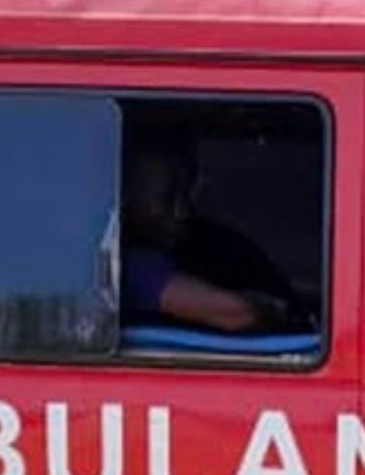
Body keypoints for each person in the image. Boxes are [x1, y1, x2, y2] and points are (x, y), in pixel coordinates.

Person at [120, 136, 299, 336]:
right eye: (165, 200)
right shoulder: (130, 264)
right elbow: (238, 313)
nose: (181, 212)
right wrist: (270, 308)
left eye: (186, 194)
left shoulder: (216, 245)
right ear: (126, 200)